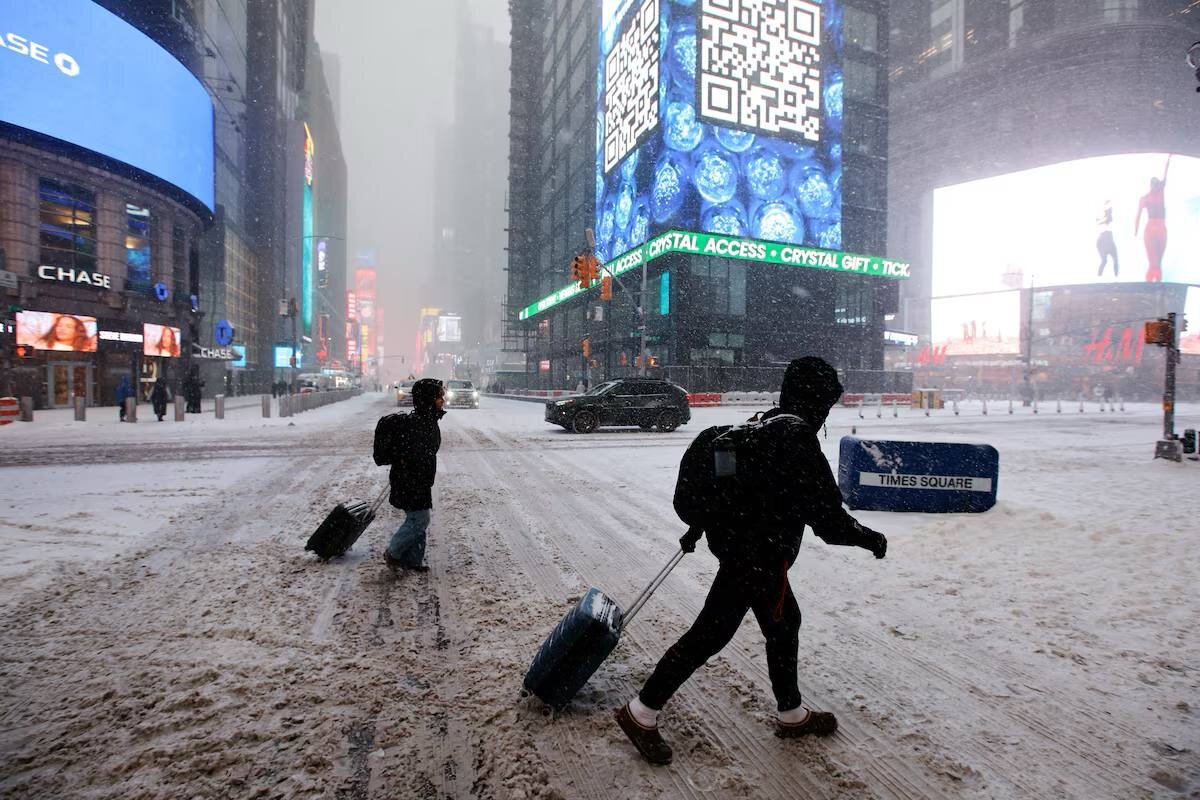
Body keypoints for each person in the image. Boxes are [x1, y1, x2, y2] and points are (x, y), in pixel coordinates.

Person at [614, 357, 888, 766]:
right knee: (711, 634)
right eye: (827, 404)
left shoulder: (762, 424)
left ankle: (792, 714)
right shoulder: (796, 439)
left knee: (783, 625)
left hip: (748, 551)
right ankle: (642, 711)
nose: (827, 412)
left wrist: (703, 524)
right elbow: (829, 523)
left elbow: (738, 488)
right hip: (758, 558)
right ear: (816, 400)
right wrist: (872, 539)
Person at [376, 379, 446, 572]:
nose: (443, 399)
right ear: (428, 399)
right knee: (419, 520)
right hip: (410, 481)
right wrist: (413, 471)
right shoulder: (419, 424)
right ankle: (394, 552)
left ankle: (412, 561)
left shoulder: (426, 420)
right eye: (439, 396)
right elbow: (412, 454)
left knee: (419, 520)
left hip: (417, 481)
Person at [1134, 156, 1171, 283]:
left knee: (1159, 262)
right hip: (1151, 229)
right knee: (1153, 262)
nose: (1156, 187)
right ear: (1151, 185)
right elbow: (1138, 215)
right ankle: (1148, 284)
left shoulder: (1160, 191)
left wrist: (1168, 160)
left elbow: (1165, 174)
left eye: (1158, 185)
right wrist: (1136, 230)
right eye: (1155, 185)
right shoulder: (1144, 198)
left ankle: (1157, 285)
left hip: (1161, 228)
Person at [1096, 200, 1118, 278]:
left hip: (1109, 240)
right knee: (1104, 261)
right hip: (1103, 241)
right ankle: (1099, 277)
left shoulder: (1109, 217)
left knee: (1115, 260)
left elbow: (1108, 219)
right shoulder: (1104, 218)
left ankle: (1116, 277)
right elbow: (1103, 220)